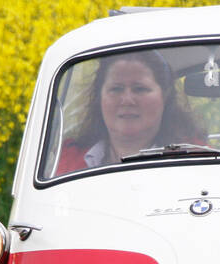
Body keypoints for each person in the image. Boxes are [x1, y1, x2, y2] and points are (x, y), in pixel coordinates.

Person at [54, 50, 205, 176]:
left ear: (164, 96)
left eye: (139, 89)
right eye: (116, 89)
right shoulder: (63, 161)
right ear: (100, 97)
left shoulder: (195, 159)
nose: (127, 100)